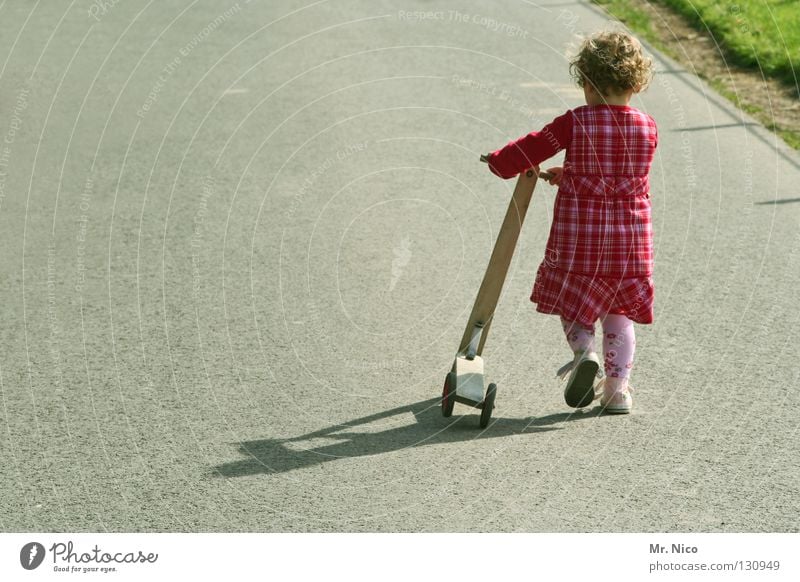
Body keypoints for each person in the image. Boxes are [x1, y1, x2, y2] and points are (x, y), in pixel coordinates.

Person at [484, 30, 657, 414]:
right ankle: (617, 391)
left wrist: (499, 162)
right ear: (636, 83)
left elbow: (531, 147)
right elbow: (618, 174)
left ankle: (584, 354)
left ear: (587, 82)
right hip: (629, 245)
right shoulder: (648, 127)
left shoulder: (575, 122)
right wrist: (574, 172)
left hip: (580, 242)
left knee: (574, 305)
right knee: (619, 313)